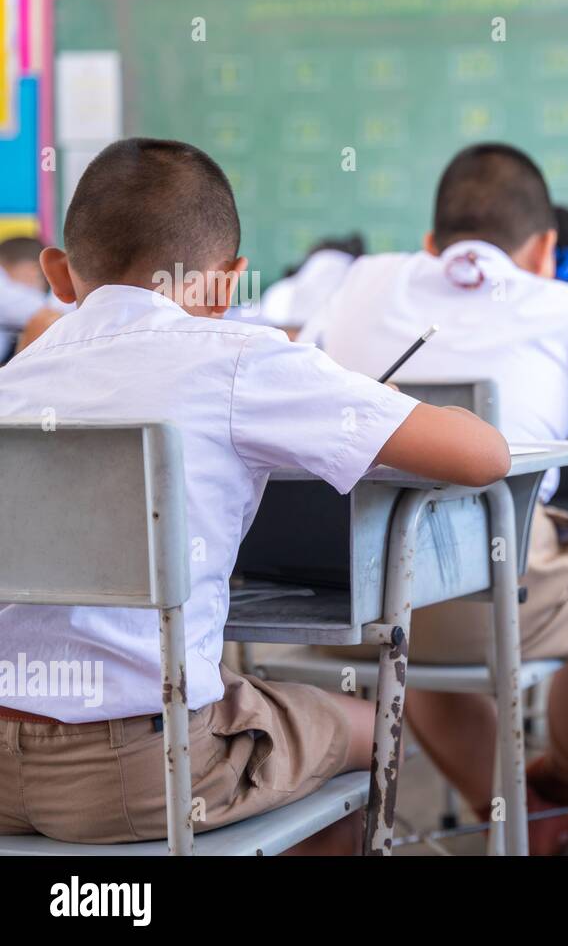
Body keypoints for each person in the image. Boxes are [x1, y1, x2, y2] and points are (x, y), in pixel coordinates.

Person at [0, 138, 509, 853]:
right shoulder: (241, 361)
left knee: (243, 695)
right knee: (377, 727)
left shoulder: (13, 380)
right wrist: (381, 402)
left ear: (57, 271)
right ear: (227, 282)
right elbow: (483, 456)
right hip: (141, 773)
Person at [316, 142, 568, 853]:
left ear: (428, 243)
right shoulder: (567, 306)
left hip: (340, 603)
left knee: (412, 634)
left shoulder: (360, 283)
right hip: (494, 599)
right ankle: (563, 784)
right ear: (545, 248)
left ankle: (511, 808)